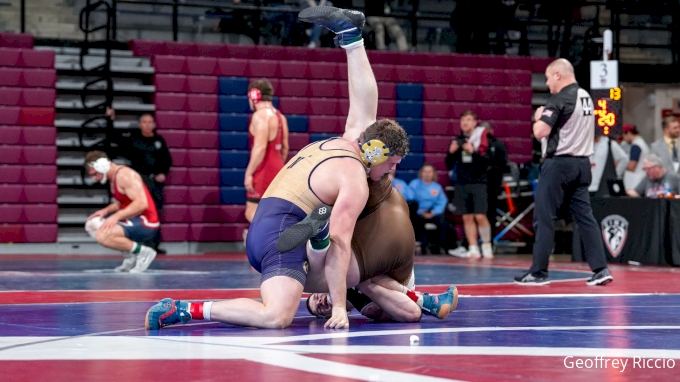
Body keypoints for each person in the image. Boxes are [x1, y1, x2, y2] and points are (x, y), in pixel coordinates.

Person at [143, 6, 452, 331]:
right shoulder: (355, 180)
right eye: (391, 163)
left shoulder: (344, 143)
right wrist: (339, 309)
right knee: (277, 315)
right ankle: (182, 309)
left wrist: (353, 43)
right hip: (280, 234)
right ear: (377, 154)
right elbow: (341, 245)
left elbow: (364, 107)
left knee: (364, 120)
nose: (391, 171)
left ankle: (352, 37)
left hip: (273, 218)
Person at [514, 59, 613, 286]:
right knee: (585, 218)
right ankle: (601, 269)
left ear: (558, 75)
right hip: (582, 164)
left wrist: (539, 116)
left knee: (544, 218)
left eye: (548, 78)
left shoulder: (560, 98)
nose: (547, 83)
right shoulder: (586, 97)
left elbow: (540, 132)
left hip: (559, 165)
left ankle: (538, 273)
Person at [83, 150, 159, 273]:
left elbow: (141, 203)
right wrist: (106, 211)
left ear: (102, 166)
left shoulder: (125, 176)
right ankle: (131, 256)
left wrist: (116, 217)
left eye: (95, 174)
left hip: (147, 221)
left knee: (103, 235)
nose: (94, 178)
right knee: (92, 224)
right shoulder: (114, 178)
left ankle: (143, 252)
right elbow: (124, 202)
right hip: (133, 218)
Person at [243, 78, 289, 243]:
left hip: (263, 169)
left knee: (252, 212)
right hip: (278, 167)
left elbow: (260, 148)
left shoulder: (260, 116)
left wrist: (249, 173)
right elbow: (284, 148)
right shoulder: (280, 116)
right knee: (272, 210)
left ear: (254, 96)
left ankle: (268, 244)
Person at [446, 110, 493, 259]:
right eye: (462, 120)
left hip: (479, 182)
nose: (465, 123)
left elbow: (487, 163)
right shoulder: (458, 140)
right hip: (462, 182)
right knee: (467, 217)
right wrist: (451, 153)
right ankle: (473, 247)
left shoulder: (482, 139)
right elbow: (448, 164)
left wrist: (473, 152)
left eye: (468, 120)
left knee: (480, 215)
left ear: (474, 122)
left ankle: (486, 245)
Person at [125, 113, 172, 254]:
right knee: (138, 212)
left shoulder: (159, 141)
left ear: (153, 124)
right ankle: (137, 245)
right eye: (144, 122)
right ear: (140, 125)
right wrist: (110, 119)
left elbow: (167, 160)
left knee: (155, 212)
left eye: (150, 122)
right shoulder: (134, 140)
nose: (147, 125)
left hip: (155, 182)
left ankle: (154, 245)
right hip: (139, 182)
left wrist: (163, 173)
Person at [408, 163, 453, 254]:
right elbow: (410, 199)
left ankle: (439, 246)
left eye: (429, 172)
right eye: (425, 171)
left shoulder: (437, 187)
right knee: (417, 220)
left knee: (443, 222)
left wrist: (433, 212)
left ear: (433, 174)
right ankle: (423, 245)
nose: (427, 174)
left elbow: (441, 202)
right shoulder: (414, 184)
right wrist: (421, 211)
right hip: (418, 212)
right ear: (421, 173)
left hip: (432, 212)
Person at [481, 121, 509, 237]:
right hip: (478, 184)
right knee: (472, 214)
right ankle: (468, 244)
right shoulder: (476, 145)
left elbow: (503, 164)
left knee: (490, 214)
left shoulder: (498, 145)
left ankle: (489, 242)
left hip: (492, 185)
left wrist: (490, 168)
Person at [621, 124, 649, 190]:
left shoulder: (636, 145)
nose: (624, 139)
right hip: (641, 178)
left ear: (629, 133)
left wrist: (622, 166)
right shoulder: (642, 143)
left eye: (624, 136)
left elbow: (632, 166)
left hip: (634, 181)